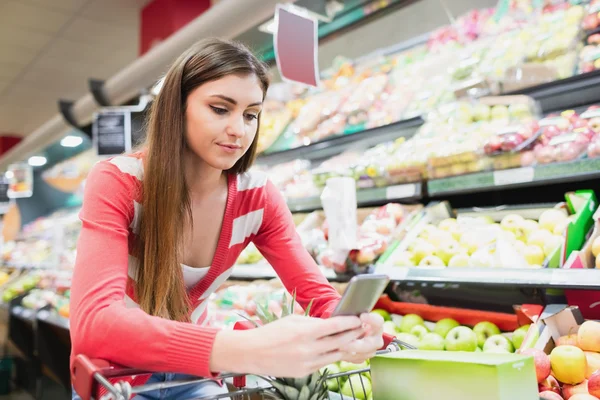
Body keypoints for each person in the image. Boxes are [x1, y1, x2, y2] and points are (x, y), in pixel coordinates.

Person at [69, 38, 384, 400]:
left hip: (192, 373)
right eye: (220, 109)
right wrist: (249, 348)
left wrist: (360, 329)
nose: (240, 130)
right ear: (177, 108)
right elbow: (95, 324)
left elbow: (318, 296)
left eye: (251, 115)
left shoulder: (258, 197)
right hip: (117, 376)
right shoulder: (118, 181)